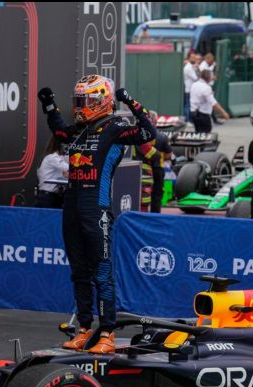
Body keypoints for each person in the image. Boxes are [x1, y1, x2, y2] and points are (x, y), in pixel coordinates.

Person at [38, 76, 156, 354]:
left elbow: (148, 133)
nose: (80, 106)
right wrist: (50, 106)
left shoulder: (116, 126)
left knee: (102, 272)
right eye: (78, 101)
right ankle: (83, 329)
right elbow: (60, 133)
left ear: (102, 100)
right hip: (72, 205)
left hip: (97, 207)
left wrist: (130, 102)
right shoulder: (80, 129)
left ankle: (107, 333)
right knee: (78, 271)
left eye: (86, 101)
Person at [137, 111, 174, 213]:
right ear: (156, 121)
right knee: (157, 194)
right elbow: (168, 154)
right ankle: (155, 215)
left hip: (141, 169)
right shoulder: (162, 137)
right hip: (158, 169)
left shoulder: (139, 135)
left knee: (141, 194)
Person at [35, 137, 68, 208]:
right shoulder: (52, 157)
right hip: (47, 197)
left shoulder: (51, 157)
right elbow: (69, 168)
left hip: (53, 196)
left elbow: (66, 175)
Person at [183, 52, 201, 122]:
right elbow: (196, 78)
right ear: (189, 58)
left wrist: (197, 68)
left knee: (190, 105)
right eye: (193, 57)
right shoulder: (188, 67)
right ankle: (187, 120)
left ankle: (190, 120)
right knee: (188, 105)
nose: (195, 59)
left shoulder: (192, 66)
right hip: (189, 89)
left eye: (195, 57)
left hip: (193, 90)